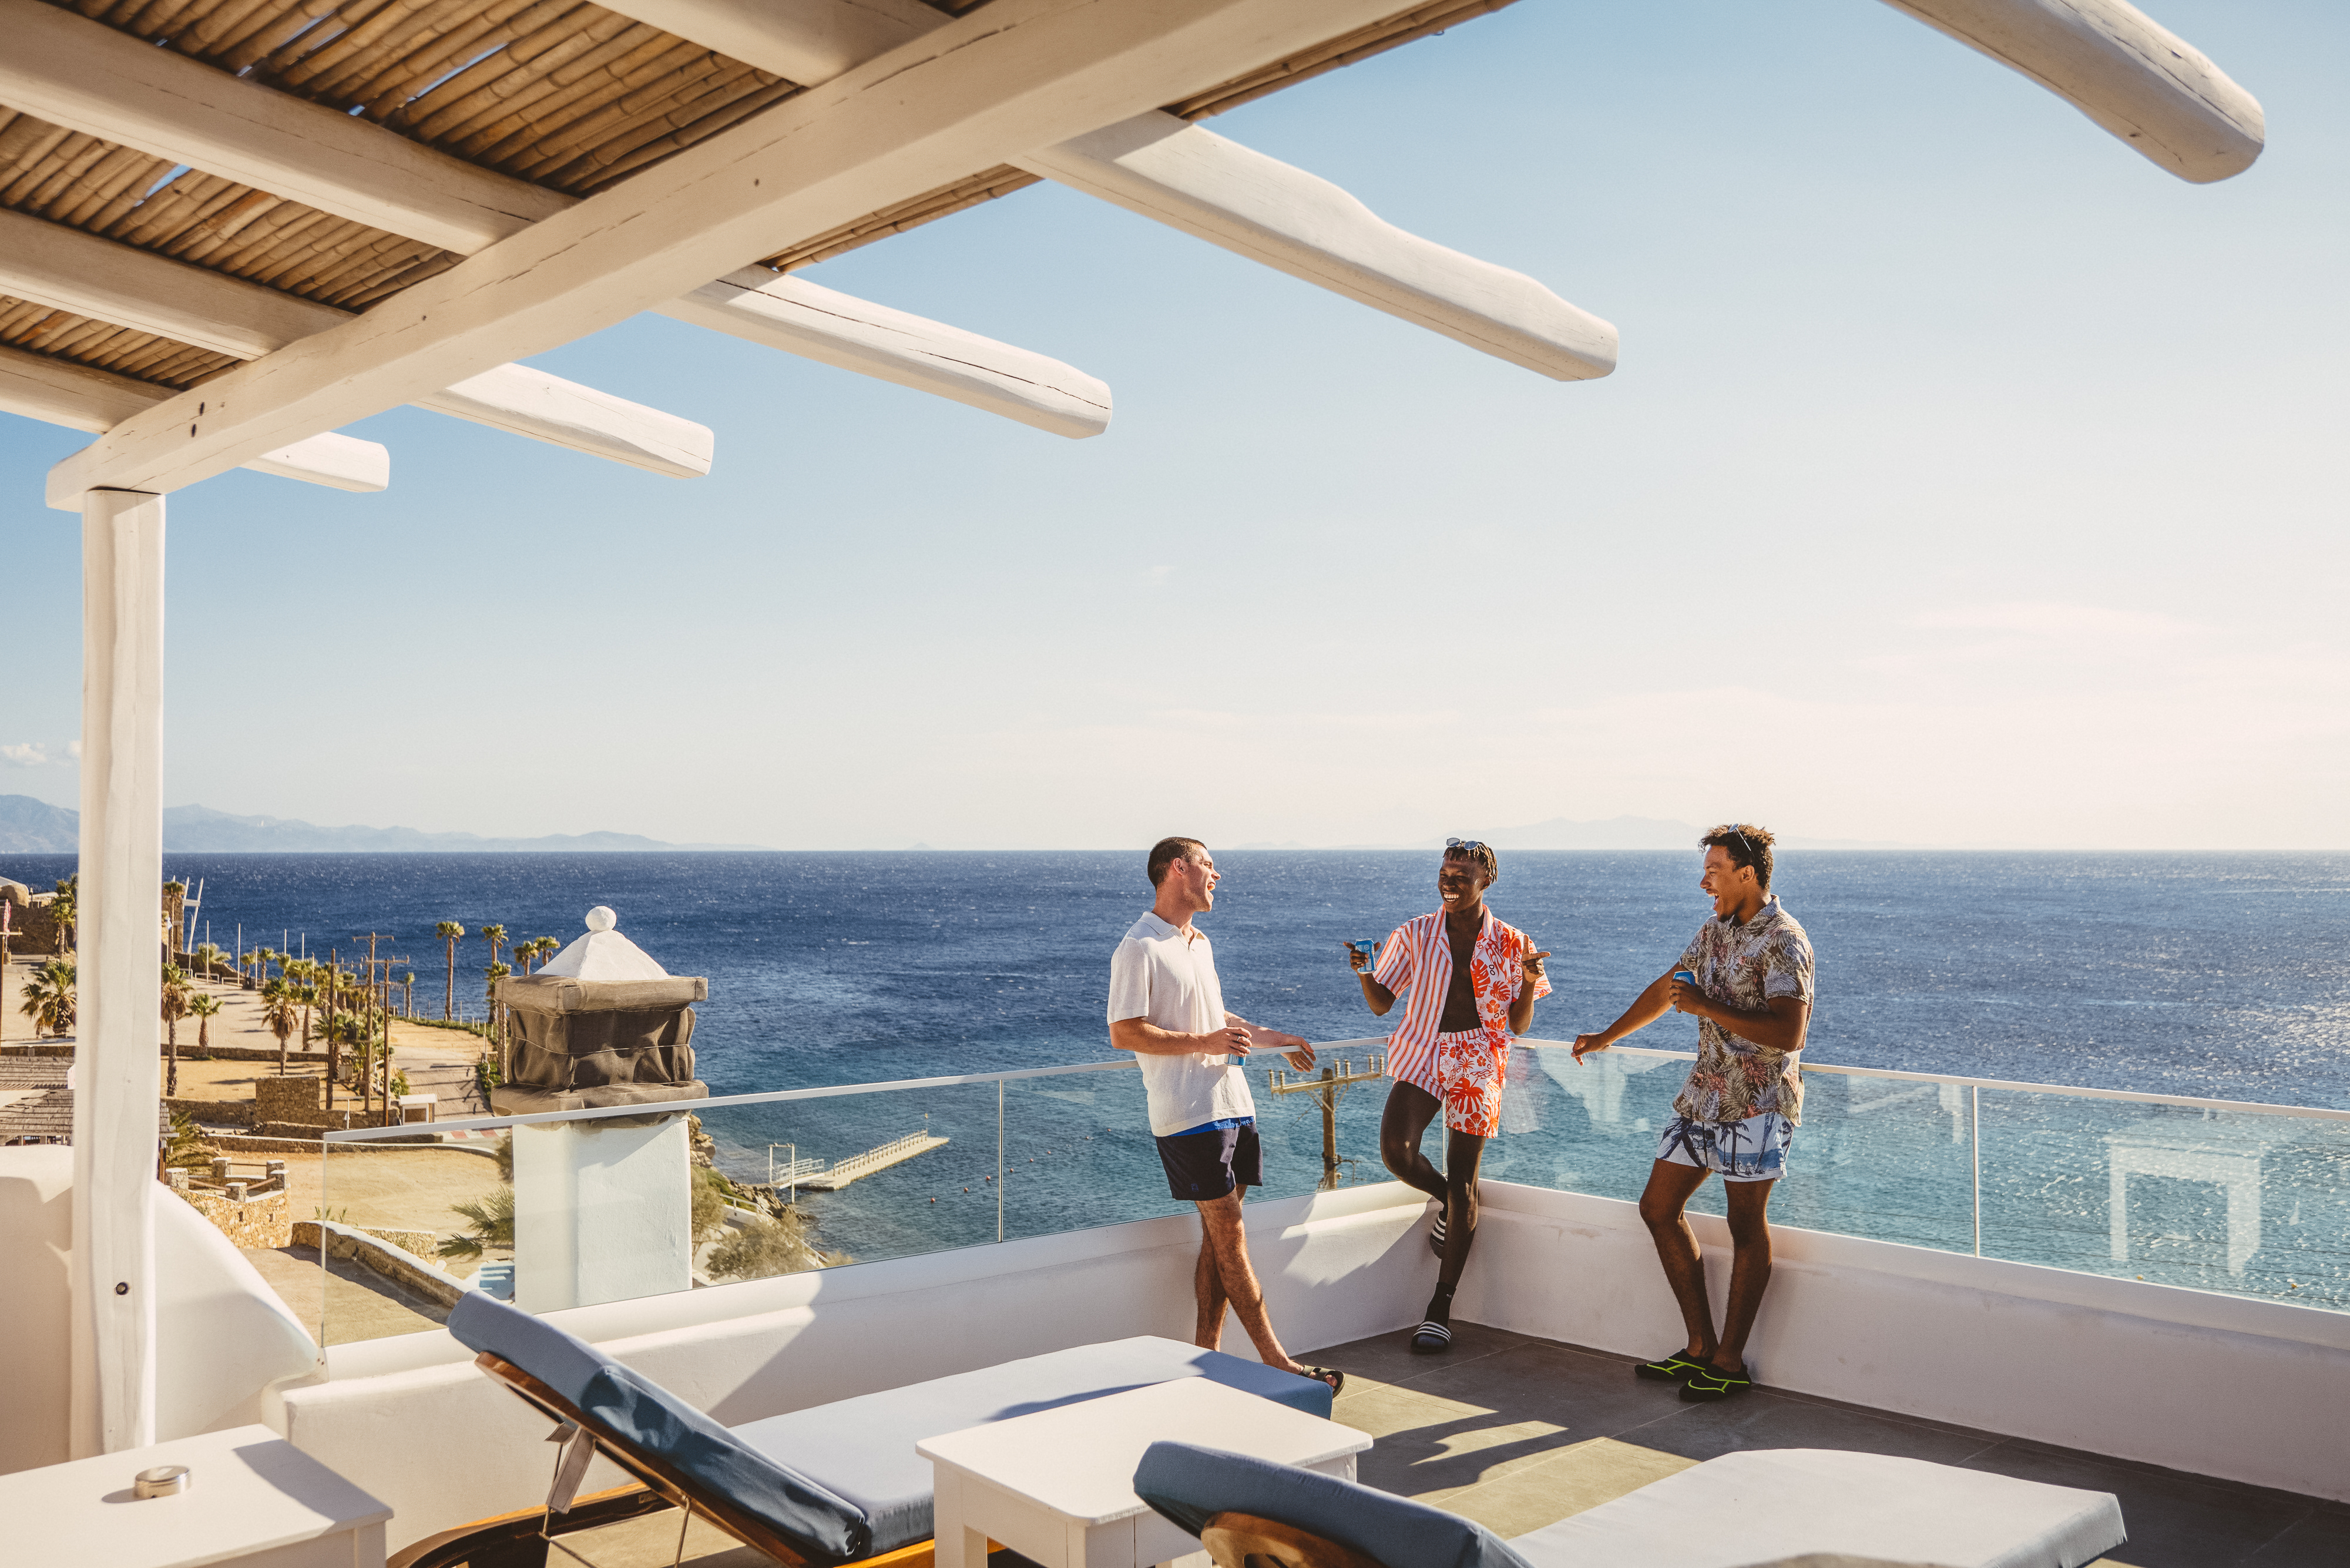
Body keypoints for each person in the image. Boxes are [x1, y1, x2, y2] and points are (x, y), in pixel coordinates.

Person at [1572, 823, 1814, 1403]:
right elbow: (1668, 987)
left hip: (1756, 1100)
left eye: (1715, 868)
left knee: (1744, 1225)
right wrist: (1607, 1035)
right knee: (1657, 1207)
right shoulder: (1714, 930)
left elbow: (1789, 1030)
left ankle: (1730, 1361)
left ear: (1747, 873)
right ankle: (1700, 1344)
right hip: (1703, 1093)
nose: (1704, 878)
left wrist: (1706, 1005)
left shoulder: (1783, 938)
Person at [1109, 836, 1343, 1392]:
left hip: (1234, 1106)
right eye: (1208, 864)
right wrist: (1204, 1041)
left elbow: (1217, 1018)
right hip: (1189, 1114)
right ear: (1176, 868)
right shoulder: (1138, 946)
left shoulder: (1200, 943)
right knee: (1231, 1236)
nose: (1218, 874)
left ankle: (1206, 1356)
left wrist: (1275, 1037)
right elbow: (1125, 1031)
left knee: (1220, 1240)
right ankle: (1278, 1361)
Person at [1347, 838, 1549, 1354]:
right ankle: (1450, 1204)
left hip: (1479, 1056)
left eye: (1462, 874)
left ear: (1487, 881)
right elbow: (1381, 1004)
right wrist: (1364, 971)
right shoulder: (1415, 933)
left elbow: (1520, 1024)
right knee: (1398, 1152)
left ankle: (1441, 1305)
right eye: (1445, 872)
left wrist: (1527, 982)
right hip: (1422, 1048)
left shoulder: (1511, 941)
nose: (1450, 881)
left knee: (1466, 1181)